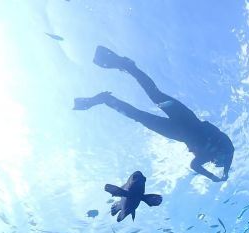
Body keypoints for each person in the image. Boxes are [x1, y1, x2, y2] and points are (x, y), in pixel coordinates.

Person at [74, 46, 234, 183]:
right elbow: (231, 151)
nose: (214, 162)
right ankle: (128, 66)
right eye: (218, 162)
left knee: (140, 117)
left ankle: (106, 99)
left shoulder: (206, 157)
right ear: (224, 158)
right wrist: (225, 172)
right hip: (186, 118)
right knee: (155, 95)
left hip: (176, 132)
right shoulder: (226, 147)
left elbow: (194, 166)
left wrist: (211, 176)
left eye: (214, 164)